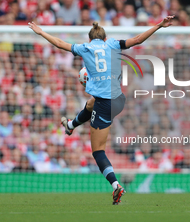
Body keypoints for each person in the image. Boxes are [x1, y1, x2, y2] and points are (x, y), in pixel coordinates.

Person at [28, 16, 174, 204]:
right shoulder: (113, 44)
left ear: (90, 40)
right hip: (119, 99)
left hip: (105, 104)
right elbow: (138, 39)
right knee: (90, 104)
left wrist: (41, 32)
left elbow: (59, 43)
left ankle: (115, 185)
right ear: (105, 39)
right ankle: (71, 125)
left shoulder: (84, 48)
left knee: (97, 151)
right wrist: (159, 25)